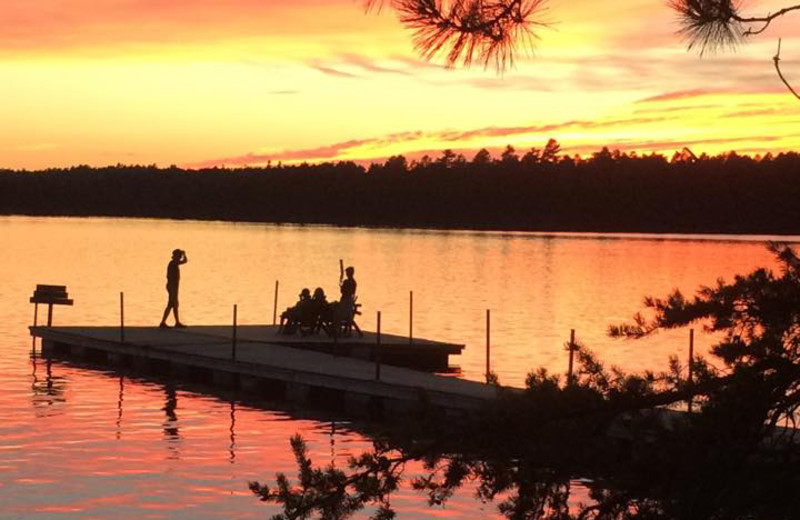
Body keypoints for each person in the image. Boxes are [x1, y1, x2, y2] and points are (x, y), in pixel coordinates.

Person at [159, 249, 188, 328]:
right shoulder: (173, 263)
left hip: (174, 286)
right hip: (172, 286)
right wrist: (184, 254)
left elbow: (185, 261)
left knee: (175, 304)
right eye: (179, 256)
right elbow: (184, 261)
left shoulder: (175, 263)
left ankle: (177, 322)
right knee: (171, 304)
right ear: (175, 256)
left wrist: (184, 254)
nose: (180, 258)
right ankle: (163, 322)